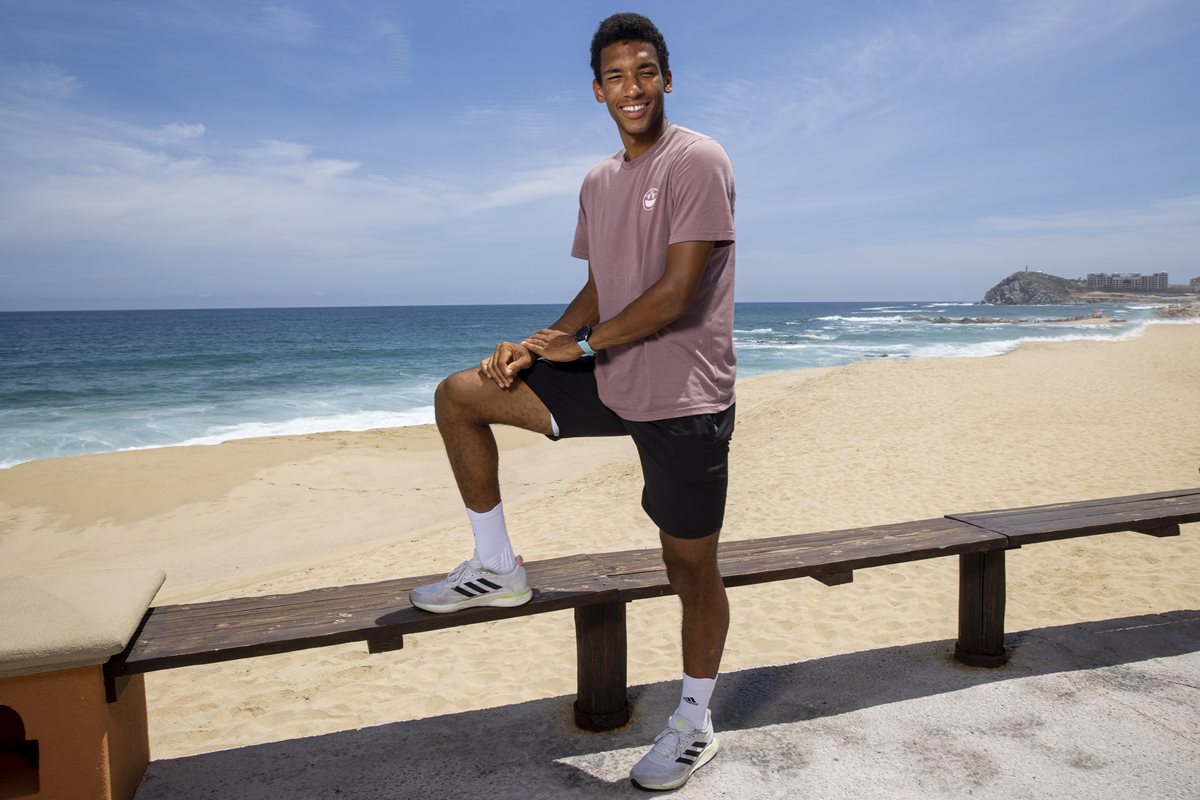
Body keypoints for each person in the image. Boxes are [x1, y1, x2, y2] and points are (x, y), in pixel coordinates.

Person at [410, 12, 736, 791]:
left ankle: (695, 723)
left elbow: (675, 295)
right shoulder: (597, 181)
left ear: (666, 79)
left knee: (689, 568)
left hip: (685, 397)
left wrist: (582, 346)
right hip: (612, 375)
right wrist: (540, 343)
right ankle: (497, 567)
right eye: (616, 76)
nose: (632, 87)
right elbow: (601, 285)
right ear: (598, 91)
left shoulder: (698, 160)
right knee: (461, 395)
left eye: (645, 71)